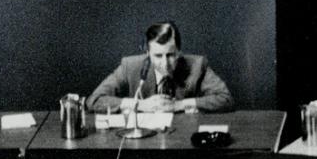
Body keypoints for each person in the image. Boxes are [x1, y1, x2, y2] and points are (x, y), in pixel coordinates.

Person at [88, 21, 234, 114]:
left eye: (170, 55)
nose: (165, 63)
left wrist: (179, 105)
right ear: (147, 53)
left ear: (179, 52)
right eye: (158, 56)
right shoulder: (130, 66)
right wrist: (139, 105)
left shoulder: (197, 65)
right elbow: (94, 100)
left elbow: (226, 99)